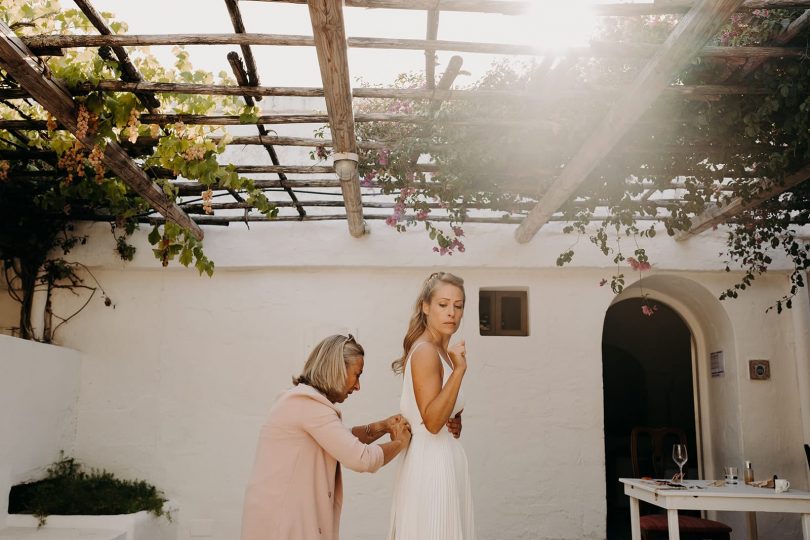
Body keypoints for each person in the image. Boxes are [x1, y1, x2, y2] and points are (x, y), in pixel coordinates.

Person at [241, 334, 411, 540]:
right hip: (283, 523)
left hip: (279, 518)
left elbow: (340, 440)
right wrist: (400, 442)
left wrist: (382, 427)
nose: (358, 386)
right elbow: (362, 458)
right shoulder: (308, 405)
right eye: (357, 375)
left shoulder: (303, 401)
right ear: (337, 369)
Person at [388, 272, 475, 540]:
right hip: (432, 465)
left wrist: (455, 419)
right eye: (443, 304)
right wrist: (459, 370)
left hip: (445, 459)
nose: (451, 313)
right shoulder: (426, 351)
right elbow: (433, 423)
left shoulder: (440, 352)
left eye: (458, 306)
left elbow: (440, 412)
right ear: (425, 307)